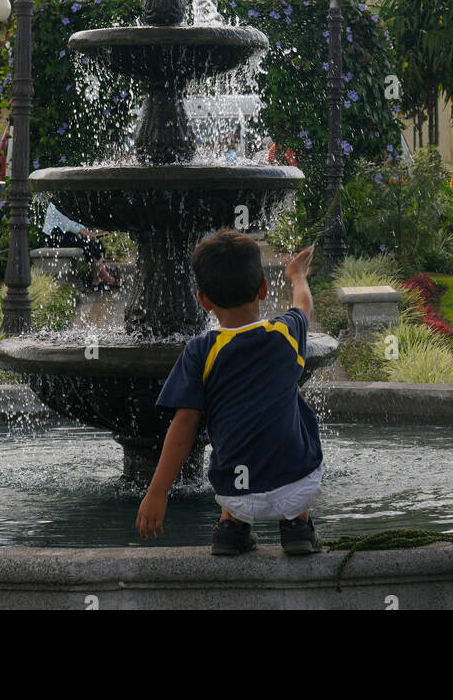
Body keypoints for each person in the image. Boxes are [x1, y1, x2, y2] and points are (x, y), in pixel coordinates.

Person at [136, 232, 323, 556]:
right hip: (298, 484)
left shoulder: (200, 351)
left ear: (203, 300)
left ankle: (231, 527)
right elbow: (303, 306)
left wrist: (158, 491)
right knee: (296, 418)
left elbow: (183, 428)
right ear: (263, 288)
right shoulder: (285, 333)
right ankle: (297, 525)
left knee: (234, 442)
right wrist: (296, 276)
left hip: (235, 490)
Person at [41, 200, 119, 291]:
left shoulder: (68, 200)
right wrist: (87, 234)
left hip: (66, 234)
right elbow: (69, 225)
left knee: (97, 244)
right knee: (88, 243)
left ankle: (96, 278)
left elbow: (76, 223)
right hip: (55, 236)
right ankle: (105, 278)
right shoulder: (56, 202)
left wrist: (88, 233)